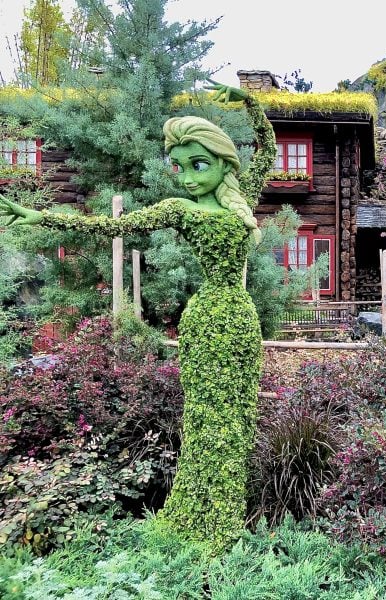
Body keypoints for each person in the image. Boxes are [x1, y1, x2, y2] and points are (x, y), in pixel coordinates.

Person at [0, 81, 276, 552]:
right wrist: (41, 216)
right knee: (210, 418)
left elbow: (267, 151)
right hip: (210, 319)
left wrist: (250, 102)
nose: (188, 177)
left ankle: (222, 517)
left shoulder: (239, 199)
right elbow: (112, 225)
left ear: (222, 163)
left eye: (199, 164)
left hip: (240, 319)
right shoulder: (181, 210)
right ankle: (202, 521)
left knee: (236, 418)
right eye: (180, 166)